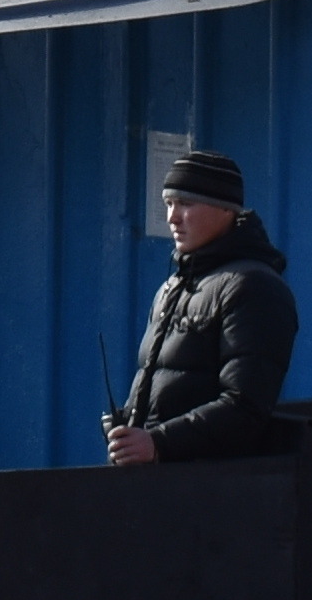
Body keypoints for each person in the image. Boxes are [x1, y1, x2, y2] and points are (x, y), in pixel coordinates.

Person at [105, 150, 297, 465]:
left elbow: (245, 406)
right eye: (168, 204)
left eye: (186, 203)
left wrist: (158, 443)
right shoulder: (171, 288)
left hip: (209, 491)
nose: (172, 217)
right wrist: (128, 429)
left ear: (226, 209)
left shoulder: (254, 287)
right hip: (156, 485)